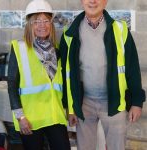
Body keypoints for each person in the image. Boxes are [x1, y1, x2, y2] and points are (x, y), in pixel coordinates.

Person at [60, 0, 146, 150]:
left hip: (114, 102)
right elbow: (66, 74)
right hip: (84, 103)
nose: (92, 1)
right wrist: (70, 107)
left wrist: (137, 102)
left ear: (105, 2)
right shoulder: (69, 33)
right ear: (82, 1)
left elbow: (133, 68)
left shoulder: (119, 30)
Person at [7, 0, 71, 150]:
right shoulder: (20, 48)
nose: (42, 25)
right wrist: (20, 117)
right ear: (30, 25)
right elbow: (12, 85)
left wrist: (70, 110)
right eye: (37, 21)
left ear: (51, 23)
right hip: (30, 119)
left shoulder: (56, 50)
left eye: (46, 21)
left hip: (54, 116)